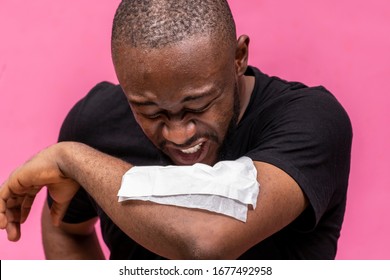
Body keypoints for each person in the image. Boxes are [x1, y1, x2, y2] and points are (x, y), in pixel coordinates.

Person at [0, 0, 352, 259]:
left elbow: (206, 241)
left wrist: (73, 159)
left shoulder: (310, 121)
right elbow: (67, 227)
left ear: (238, 58)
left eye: (197, 106)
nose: (178, 135)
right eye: (149, 111)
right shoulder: (95, 123)